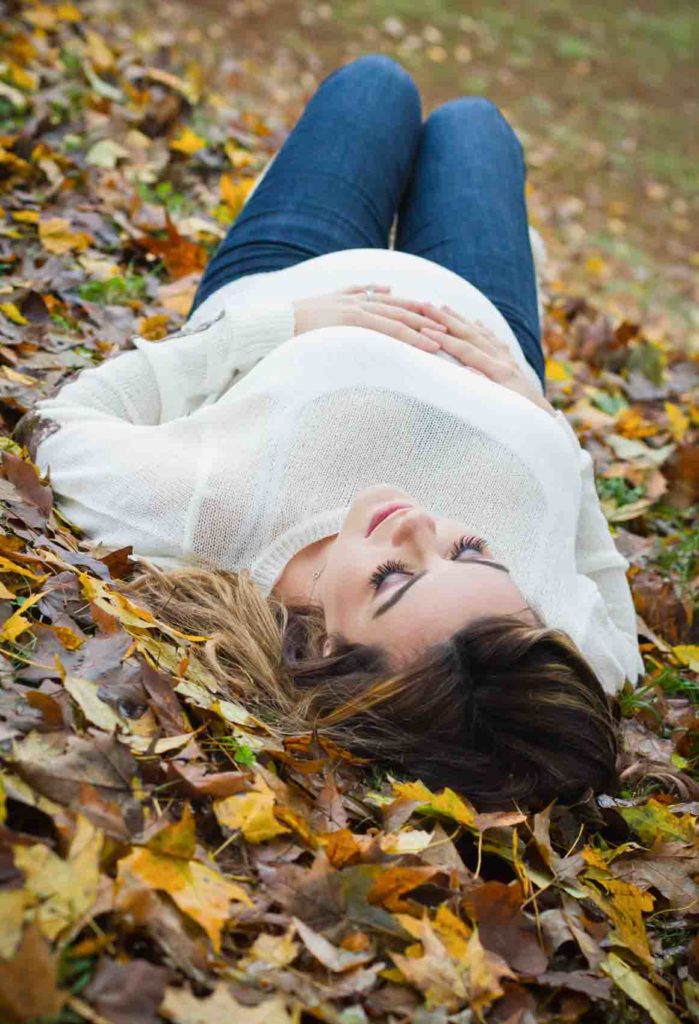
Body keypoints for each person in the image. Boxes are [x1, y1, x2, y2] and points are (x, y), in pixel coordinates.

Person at [24, 56, 644, 807]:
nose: (416, 522)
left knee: (374, 85)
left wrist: (274, 327)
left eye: (391, 577)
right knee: (476, 125)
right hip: (489, 324)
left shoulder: (210, 512)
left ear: (323, 651)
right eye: (471, 549)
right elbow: (615, 628)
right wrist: (544, 424)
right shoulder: (539, 649)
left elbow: (57, 428)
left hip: (301, 273)